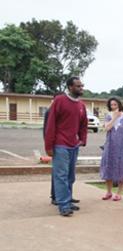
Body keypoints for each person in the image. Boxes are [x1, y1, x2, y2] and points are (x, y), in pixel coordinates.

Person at [44, 77, 88, 217]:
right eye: (78, 86)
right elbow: (51, 124)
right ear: (69, 87)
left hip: (73, 145)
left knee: (70, 176)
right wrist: (49, 146)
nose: (81, 88)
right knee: (61, 175)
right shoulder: (59, 101)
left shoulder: (81, 105)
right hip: (60, 144)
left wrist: (82, 139)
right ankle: (63, 205)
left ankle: (67, 201)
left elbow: (83, 124)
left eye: (82, 85)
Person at [100, 97, 123, 201]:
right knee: (108, 166)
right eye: (111, 105)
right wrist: (114, 118)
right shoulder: (108, 116)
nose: (113, 107)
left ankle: (119, 192)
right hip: (110, 146)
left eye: (115, 104)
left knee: (122, 168)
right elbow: (107, 128)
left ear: (119, 105)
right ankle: (109, 191)